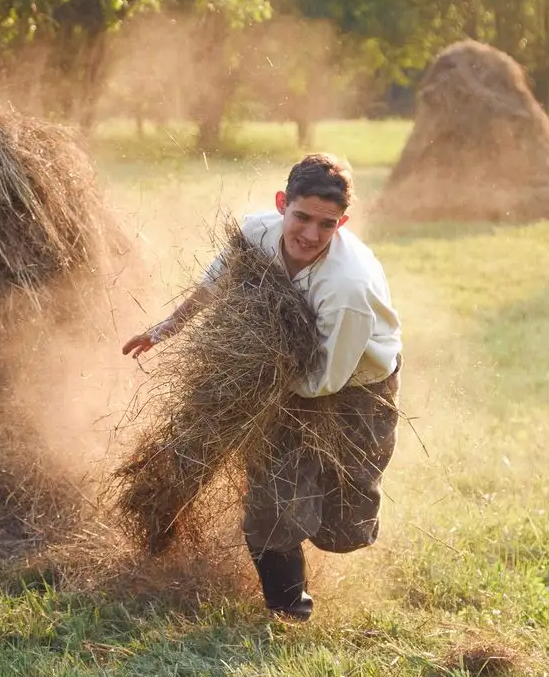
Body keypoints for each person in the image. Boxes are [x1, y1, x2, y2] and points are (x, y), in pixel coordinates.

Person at [122, 154, 401, 622]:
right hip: (284, 379)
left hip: (356, 386)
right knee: (273, 496)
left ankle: (315, 517)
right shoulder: (256, 233)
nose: (310, 234)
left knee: (343, 528)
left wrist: (258, 388)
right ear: (281, 205)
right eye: (302, 217)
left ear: (343, 223)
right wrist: (166, 327)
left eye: (326, 224)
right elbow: (215, 283)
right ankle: (288, 607)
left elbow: (326, 379)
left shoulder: (347, 287)